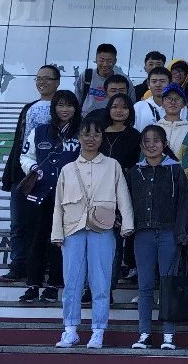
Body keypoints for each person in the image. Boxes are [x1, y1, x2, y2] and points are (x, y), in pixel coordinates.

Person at [51, 116, 134, 349]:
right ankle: (70, 330)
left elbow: (123, 195)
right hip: (73, 229)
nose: (91, 139)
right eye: (86, 134)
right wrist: (57, 233)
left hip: (102, 228)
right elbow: (58, 204)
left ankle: (98, 330)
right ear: (78, 137)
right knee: (72, 282)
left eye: (96, 134)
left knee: (101, 281)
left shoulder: (112, 165)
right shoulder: (68, 169)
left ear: (102, 138)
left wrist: (127, 223)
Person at [127, 125, 188, 349]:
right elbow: (127, 202)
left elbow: (185, 203)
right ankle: (144, 334)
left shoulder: (175, 170)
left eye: (156, 140)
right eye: (146, 141)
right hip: (142, 234)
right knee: (145, 285)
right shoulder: (135, 172)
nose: (151, 145)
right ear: (141, 145)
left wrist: (182, 232)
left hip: (169, 233)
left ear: (164, 144)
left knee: (168, 284)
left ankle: (168, 335)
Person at [16, 90, 81, 305]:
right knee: (37, 239)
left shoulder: (82, 132)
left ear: (76, 108)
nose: (65, 110)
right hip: (40, 194)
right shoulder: (39, 130)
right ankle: (33, 285)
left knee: (60, 241)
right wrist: (33, 168)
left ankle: (53, 285)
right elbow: (25, 156)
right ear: (53, 108)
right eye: (60, 105)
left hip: (69, 196)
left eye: (69, 105)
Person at [0, 64, 60, 285]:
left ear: (57, 82)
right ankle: (18, 264)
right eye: (38, 78)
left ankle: (42, 265)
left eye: (47, 78)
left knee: (44, 223)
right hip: (24, 172)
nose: (41, 82)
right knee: (19, 222)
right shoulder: (29, 108)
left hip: (51, 175)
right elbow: (20, 141)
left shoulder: (62, 107)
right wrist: (11, 173)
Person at [156, 84, 188, 188]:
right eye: (168, 98)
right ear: (162, 103)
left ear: (184, 104)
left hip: (181, 188)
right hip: (155, 186)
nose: (173, 102)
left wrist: (176, 188)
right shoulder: (154, 129)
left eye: (178, 98)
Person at [99, 94, 141, 169]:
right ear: (109, 109)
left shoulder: (135, 135)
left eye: (124, 107)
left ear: (130, 110)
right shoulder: (98, 132)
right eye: (114, 107)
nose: (119, 110)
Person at [77, 43, 119, 116]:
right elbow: (77, 100)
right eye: (101, 60)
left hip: (111, 120)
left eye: (109, 61)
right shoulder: (87, 75)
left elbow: (130, 104)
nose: (105, 64)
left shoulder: (122, 80)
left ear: (115, 61)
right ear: (96, 60)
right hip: (86, 119)